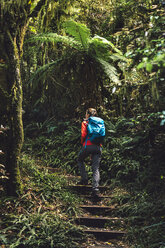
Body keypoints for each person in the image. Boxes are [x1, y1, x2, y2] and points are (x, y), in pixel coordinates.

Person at [77, 108, 102, 198]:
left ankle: (84, 179)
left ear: (87, 114)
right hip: (98, 147)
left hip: (88, 145)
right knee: (96, 168)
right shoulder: (99, 123)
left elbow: (83, 134)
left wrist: (83, 143)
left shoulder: (85, 122)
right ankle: (95, 189)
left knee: (80, 159)